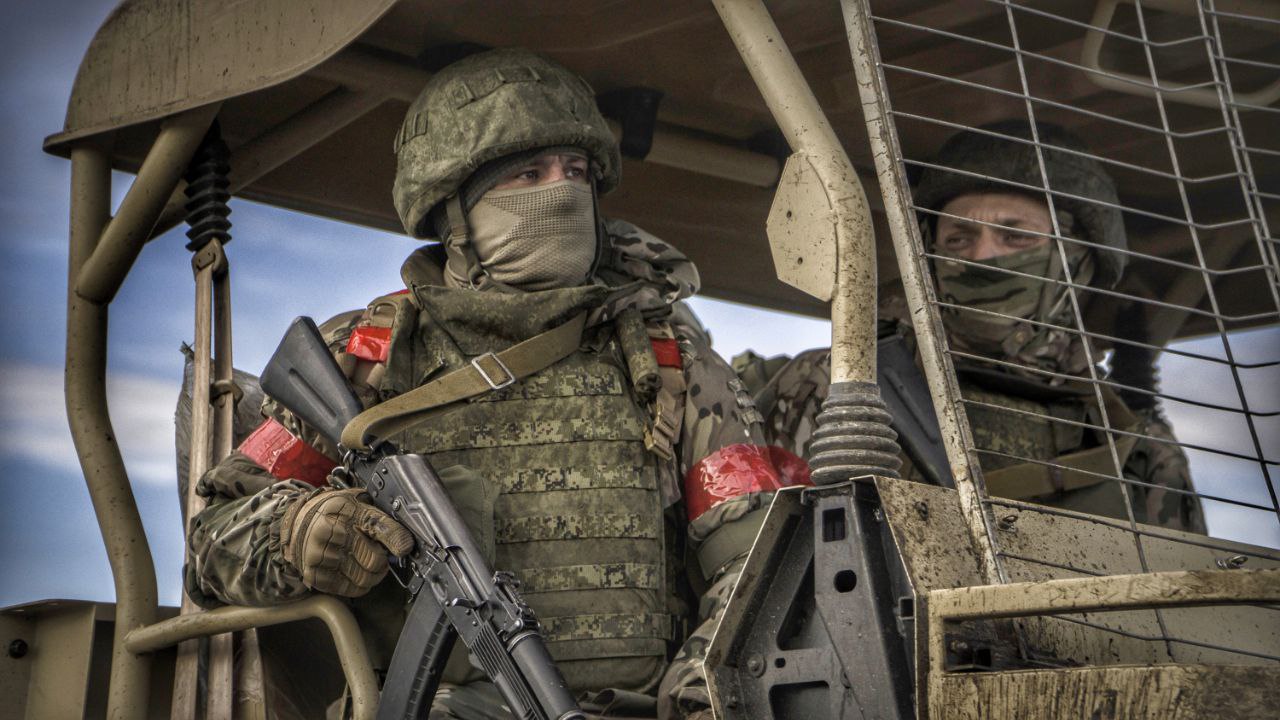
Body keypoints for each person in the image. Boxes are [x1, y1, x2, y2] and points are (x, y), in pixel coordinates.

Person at [183, 48, 806, 719]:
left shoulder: (666, 361)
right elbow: (212, 542)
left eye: (577, 172)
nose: (562, 192)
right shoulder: (366, 356)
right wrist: (297, 532)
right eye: (529, 174)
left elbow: (759, 560)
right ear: (454, 210)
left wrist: (702, 694)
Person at [741, 121, 1204, 533]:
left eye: (1015, 236)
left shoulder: (1135, 447)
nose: (982, 257)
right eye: (959, 238)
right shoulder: (840, 383)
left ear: (1077, 262)